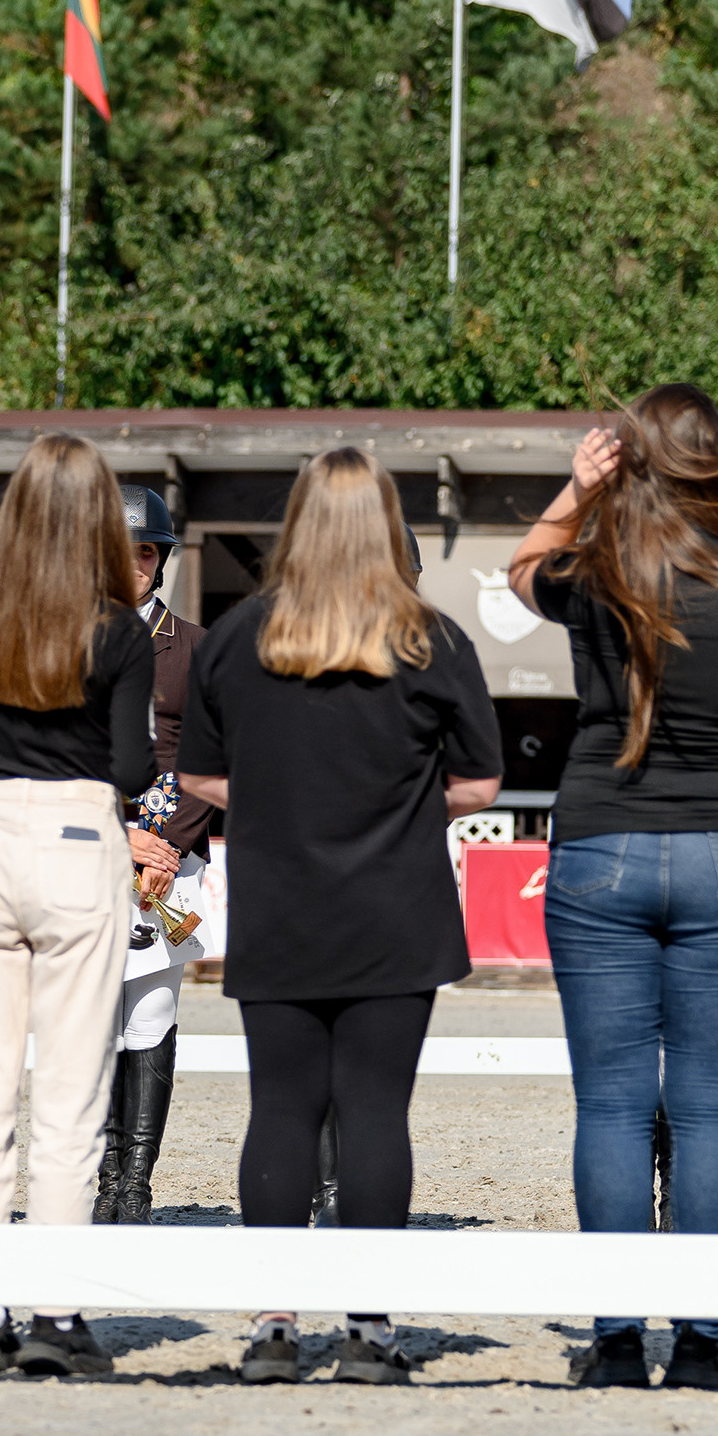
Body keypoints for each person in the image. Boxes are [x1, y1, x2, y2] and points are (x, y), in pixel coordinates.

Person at [509, 386, 718, 1391]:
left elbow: (520, 570)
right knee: (711, 1112)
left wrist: (575, 490)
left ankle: (614, 1342)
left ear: (633, 463)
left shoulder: (594, 574)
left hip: (601, 847)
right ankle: (697, 1341)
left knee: (609, 1105)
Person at [176, 447, 501, 1386]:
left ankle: (274, 1324)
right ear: (387, 527)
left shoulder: (239, 637)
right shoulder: (431, 639)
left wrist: (282, 800)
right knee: (374, 1111)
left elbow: (197, 773)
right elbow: (478, 782)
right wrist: (396, 804)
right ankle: (367, 1327)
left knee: (279, 1107)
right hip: (395, 907)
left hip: (280, 902)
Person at [0, 434, 155, 1379]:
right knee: (69, 1092)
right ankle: (55, 1312)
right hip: (81, 839)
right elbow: (132, 768)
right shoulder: (118, 630)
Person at [101, 480, 207, 1223]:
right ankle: (98, 1170)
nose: (133, 562)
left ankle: (134, 1181)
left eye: (145, 550)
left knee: (153, 1014)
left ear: (160, 558)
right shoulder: (67, 636)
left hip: (171, 857)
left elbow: (213, 754)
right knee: (91, 1014)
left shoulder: (195, 646)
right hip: (88, 847)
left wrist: (162, 843)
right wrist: (117, 832)